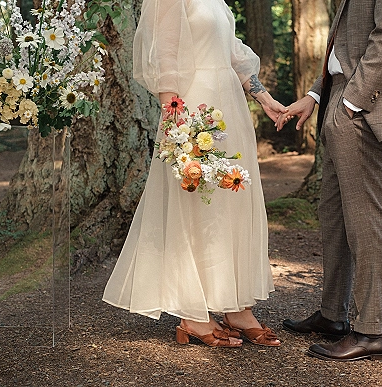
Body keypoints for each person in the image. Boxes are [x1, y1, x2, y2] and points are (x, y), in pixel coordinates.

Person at [103, 0, 286, 348]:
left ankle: (237, 308)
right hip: (193, 106)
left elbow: (232, 52)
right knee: (199, 206)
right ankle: (193, 315)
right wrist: (175, 121)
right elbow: (164, 55)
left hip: (229, 105)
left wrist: (264, 98)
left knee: (232, 203)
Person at [277, 0, 382, 361]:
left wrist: (352, 103)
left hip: (365, 104)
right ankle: (332, 315)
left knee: (365, 221)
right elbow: (345, 44)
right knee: (334, 216)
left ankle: (371, 331)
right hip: (340, 95)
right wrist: (316, 94)